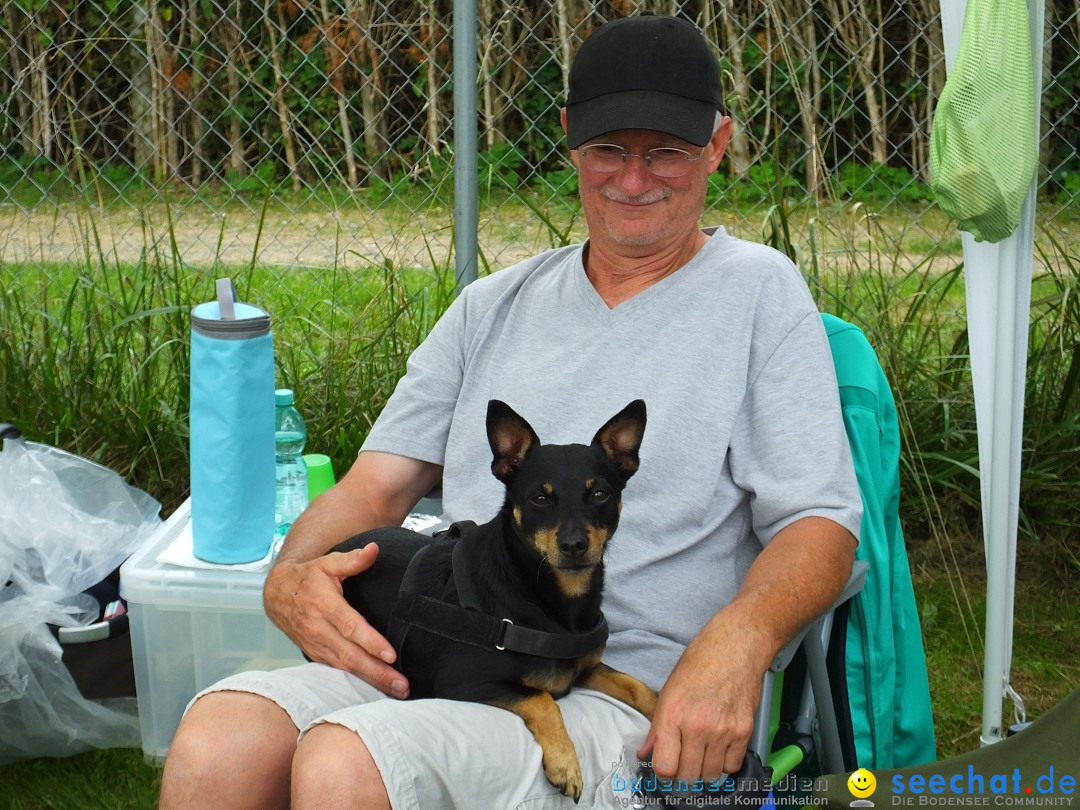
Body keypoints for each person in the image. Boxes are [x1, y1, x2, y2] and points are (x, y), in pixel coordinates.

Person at [159, 13, 861, 810]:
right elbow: (373, 487)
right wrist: (292, 578)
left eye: (665, 151)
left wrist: (739, 641)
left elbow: (820, 523)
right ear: (568, 137)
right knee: (216, 744)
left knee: (344, 763)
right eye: (607, 150)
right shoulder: (491, 306)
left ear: (719, 143)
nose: (633, 181)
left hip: (623, 693)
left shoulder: (760, 296)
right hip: (444, 650)